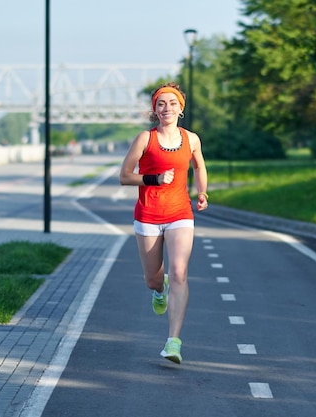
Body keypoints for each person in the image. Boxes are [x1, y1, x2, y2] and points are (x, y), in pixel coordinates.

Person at [119, 82, 208, 364]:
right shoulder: (145, 139)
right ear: (155, 110)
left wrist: (202, 192)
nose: (166, 108)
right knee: (153, 279)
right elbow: (124, 175)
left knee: (180, 272)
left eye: (172, 103)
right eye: (161, 104)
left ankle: (173, 342)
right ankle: (160, 289)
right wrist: (153, 179)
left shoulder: (191, 139)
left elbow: (199, 166)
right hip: (148, 214)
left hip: (180, 213)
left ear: (181, 108)